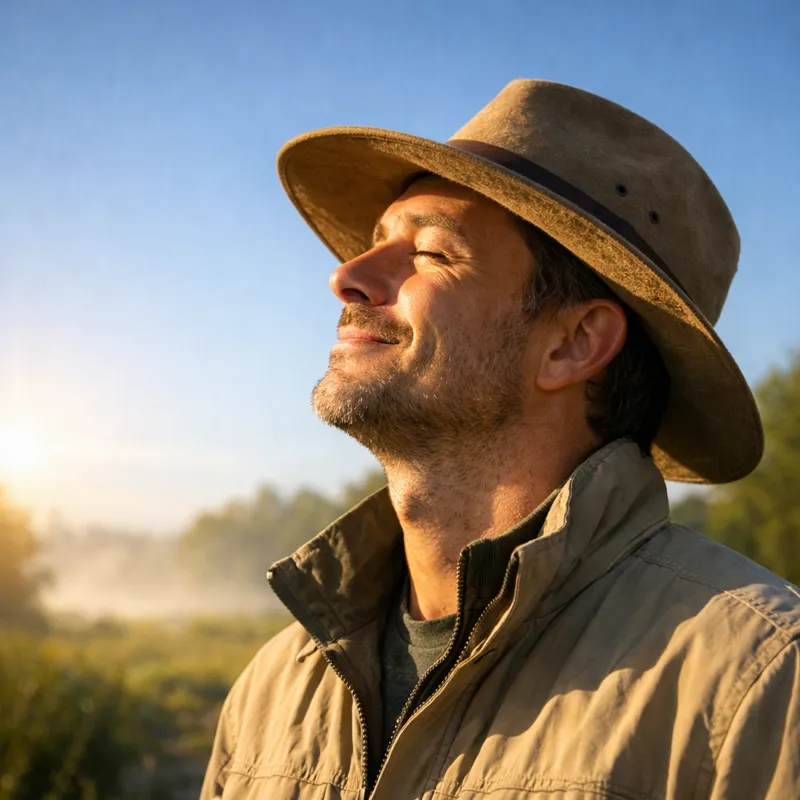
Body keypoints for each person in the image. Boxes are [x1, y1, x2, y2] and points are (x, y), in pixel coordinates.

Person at [201, 80, 800, 800]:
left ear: (574, 344)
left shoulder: (759, 684)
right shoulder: (273, 690)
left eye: (429, 252)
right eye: (373, 244)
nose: (346, 277)